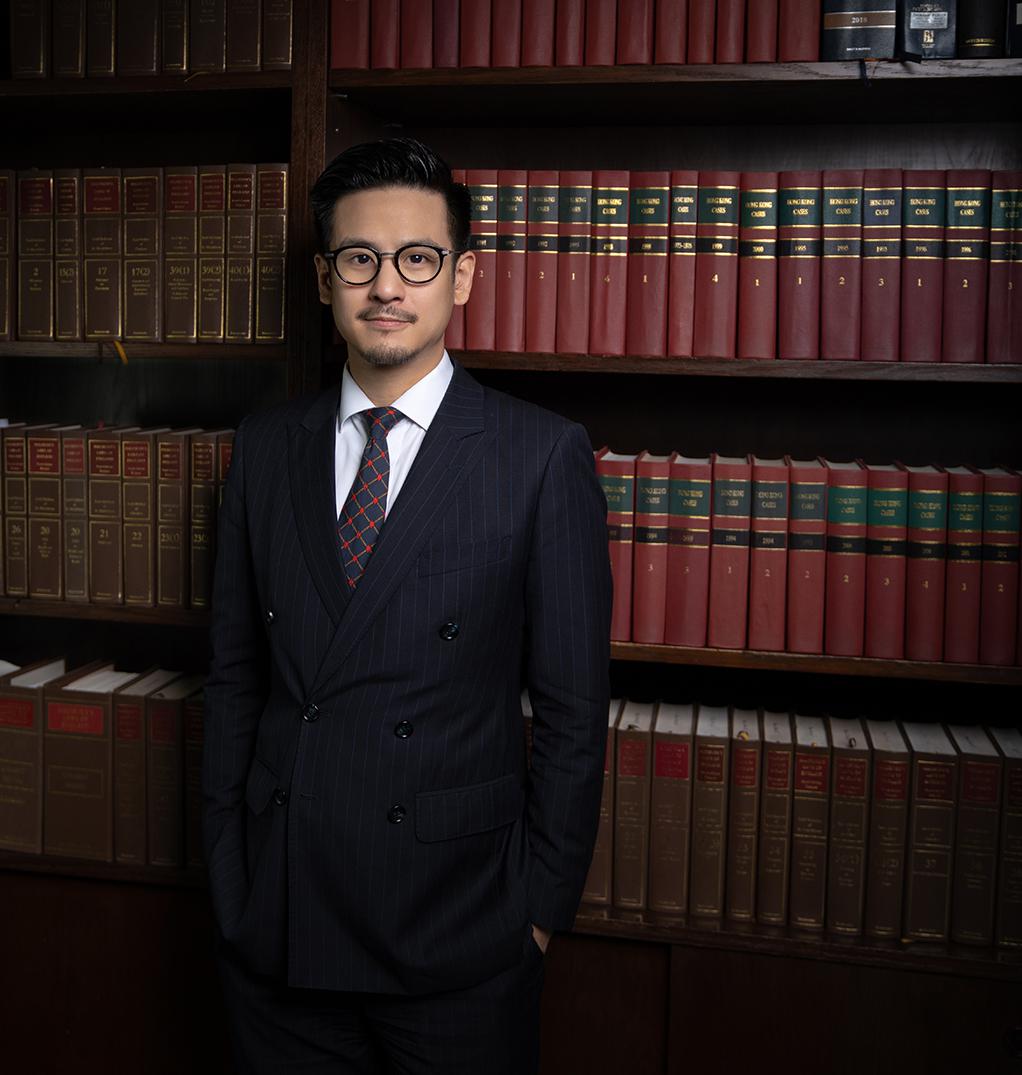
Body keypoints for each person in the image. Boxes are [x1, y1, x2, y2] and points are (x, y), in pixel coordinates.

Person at [203, 136, 612, 1075]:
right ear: (324, 280)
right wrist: (230, 881)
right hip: (282, 921)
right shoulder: (265, 447)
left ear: (461, 276)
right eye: (359, 258)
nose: (387, 286)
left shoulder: (539, 455)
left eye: (417, 258)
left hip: (459, 932)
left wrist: (537, 915)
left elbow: (573, 713)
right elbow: (232, 682)